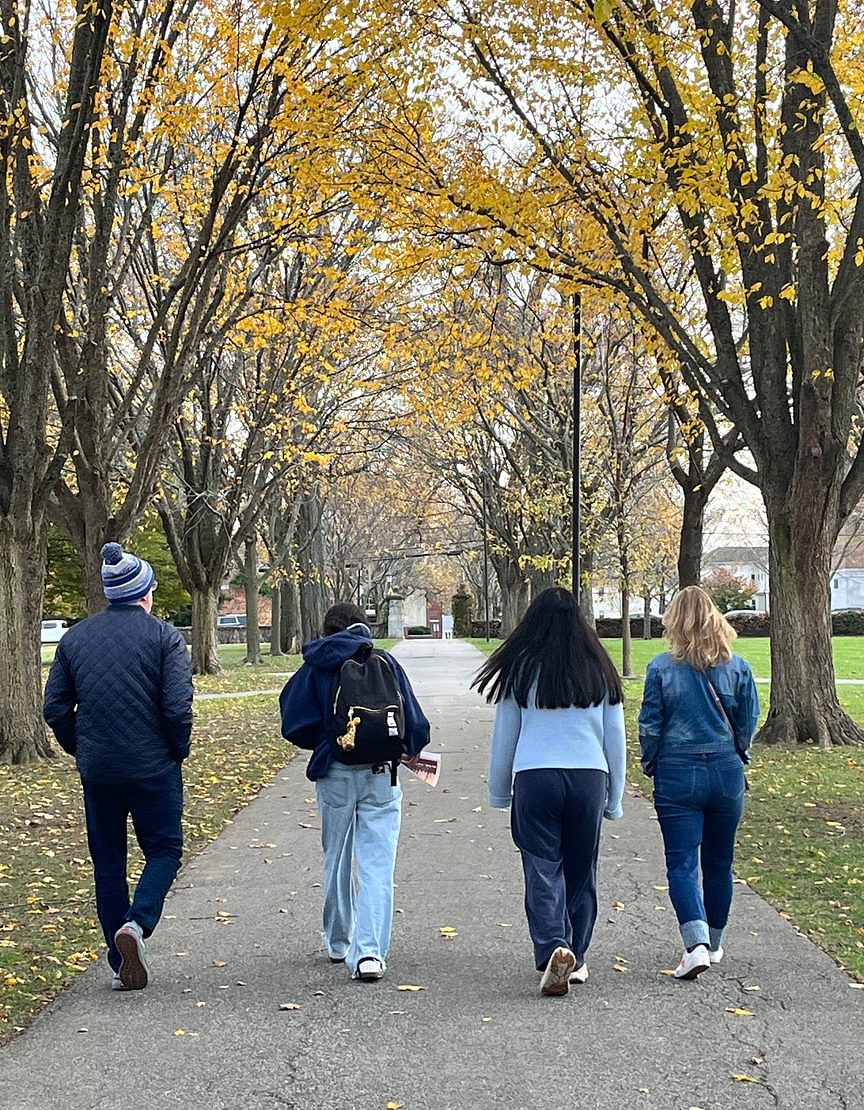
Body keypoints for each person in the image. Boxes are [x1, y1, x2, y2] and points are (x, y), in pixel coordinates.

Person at [43, 542, 193, 991]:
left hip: (100, 771)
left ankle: (118, 962)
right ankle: (138, 924)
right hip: (154, 766)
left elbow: (55, 708)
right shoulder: (166, 637)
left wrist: (80, 748)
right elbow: (177, 707)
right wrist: (176, 750)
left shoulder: (74, 639)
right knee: (165, 850)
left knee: (108, 863)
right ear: (144, 593)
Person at [475, 587, 626, 997]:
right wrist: (616, 796)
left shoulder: (520, 668)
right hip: (588, 777)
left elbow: (505, 735)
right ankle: (577, 952)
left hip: (535, 777)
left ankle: (553, 946)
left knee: (542, 868)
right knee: (582, 869)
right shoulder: (599, 667)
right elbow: (616, 736)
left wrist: (498, 791)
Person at [279, 602, 430, 982]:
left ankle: (337, 939)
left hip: (335, 772)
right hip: (381, 774)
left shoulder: (316, 666)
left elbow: (293, 720)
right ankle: (370, 955)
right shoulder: (385, 663)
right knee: (378, 864)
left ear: (327, 629)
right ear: (364, 627)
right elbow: (416, 724)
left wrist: (327, 740)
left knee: (337, 857)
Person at [638, 586, 760, 980]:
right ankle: (716, 940)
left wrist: (651, 761)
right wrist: (740, 755)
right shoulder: (738, 667)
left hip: (677, 770)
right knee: (720, 862)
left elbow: (650, 725)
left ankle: (696, 943)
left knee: (682, 862)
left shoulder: (661, 669)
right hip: (726, 770)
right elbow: (747, 721)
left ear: (674, 622)